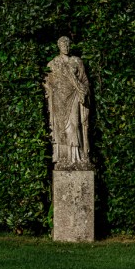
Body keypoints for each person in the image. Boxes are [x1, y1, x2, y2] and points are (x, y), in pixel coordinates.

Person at [44, 36, 91, 170]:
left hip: (74, 96)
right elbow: (47, 83)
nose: (66, 47)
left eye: (68, 45)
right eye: (63, 45)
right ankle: (63, 157)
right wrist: (50, 91)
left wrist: (83, 91)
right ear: (59, 46)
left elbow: (84, 80)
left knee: (75, 124)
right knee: (60, 129)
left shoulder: (77, 61)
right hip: (59, 100)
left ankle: (76, 157)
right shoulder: (53, 63)